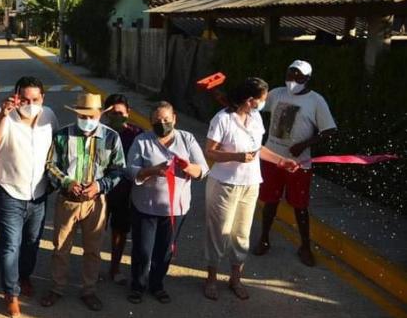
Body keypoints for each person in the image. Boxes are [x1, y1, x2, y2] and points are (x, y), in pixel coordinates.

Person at [203, 77, 299, 301]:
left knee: (242, 234)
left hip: (251, 183)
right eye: (262, 100)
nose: (263, 104)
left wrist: (281, 161)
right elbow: (210, 151)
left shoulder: (255, 117)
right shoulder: (222, 119)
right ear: (249, 100)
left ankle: (236, 278)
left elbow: (258, 149)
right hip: (224, 184)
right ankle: (211, 279)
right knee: (219, 233)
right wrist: (236, 156)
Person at [42, 93, 126, 311]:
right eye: (82, 114)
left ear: (100, 114)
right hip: (67, 200)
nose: (87, 119)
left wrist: (99, 186)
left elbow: (118, 170)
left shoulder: (111, 137)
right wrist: (67, 182)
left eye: (91, 115)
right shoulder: (62, 136)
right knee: (61, 247)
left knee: (93, 249)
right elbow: (50, 165)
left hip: (96, 203)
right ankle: (57, 287)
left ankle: (89, 290)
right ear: (76, 113)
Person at [253, 60, 336, 267]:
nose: (291, 80)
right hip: (272, 158)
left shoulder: (316, 101)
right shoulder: (277, 93)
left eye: (297, 76)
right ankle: (264, 238)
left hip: (298, 164)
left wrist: (304, 144)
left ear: (307, 79)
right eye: (289, 74)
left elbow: (329, 131)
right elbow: (256, 107)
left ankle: (305, 246)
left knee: (300, 206)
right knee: (269, 202)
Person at [0, 76, 58, 317]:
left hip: (38, 193)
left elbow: (56, 149)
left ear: (42, 98)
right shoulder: (4, 115)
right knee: (10, 244)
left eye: (35, 99)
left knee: (32, 242)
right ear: (16, 97)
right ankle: (11, 293)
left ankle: (24, 276)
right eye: (24, 99)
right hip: (8, 191)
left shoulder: (49, 116)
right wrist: (3, 114)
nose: (30, 103)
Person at [126, 101, 208, 304]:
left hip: (175, 209)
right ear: (151, 122)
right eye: (157, 121)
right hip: (145, 207)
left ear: (174, 119)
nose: (162, 124)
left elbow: (203, 169)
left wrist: (189, 167)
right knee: (143, 249)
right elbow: (130, 171)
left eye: (166, 120)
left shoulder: (187, 139)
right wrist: (152, 171)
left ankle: (157, 284)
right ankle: (138, 284)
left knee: (165, 250)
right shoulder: (142, 141)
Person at [102, 94, 143, 283]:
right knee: (93, 232)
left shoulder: (137, 135)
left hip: (124, 192)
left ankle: (114, 268)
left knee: (119, 232)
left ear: (128, 113)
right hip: (99, 191)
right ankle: (91, 268)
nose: (116, 117)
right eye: (112, 113)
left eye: (120, 113)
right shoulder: (97, 132)